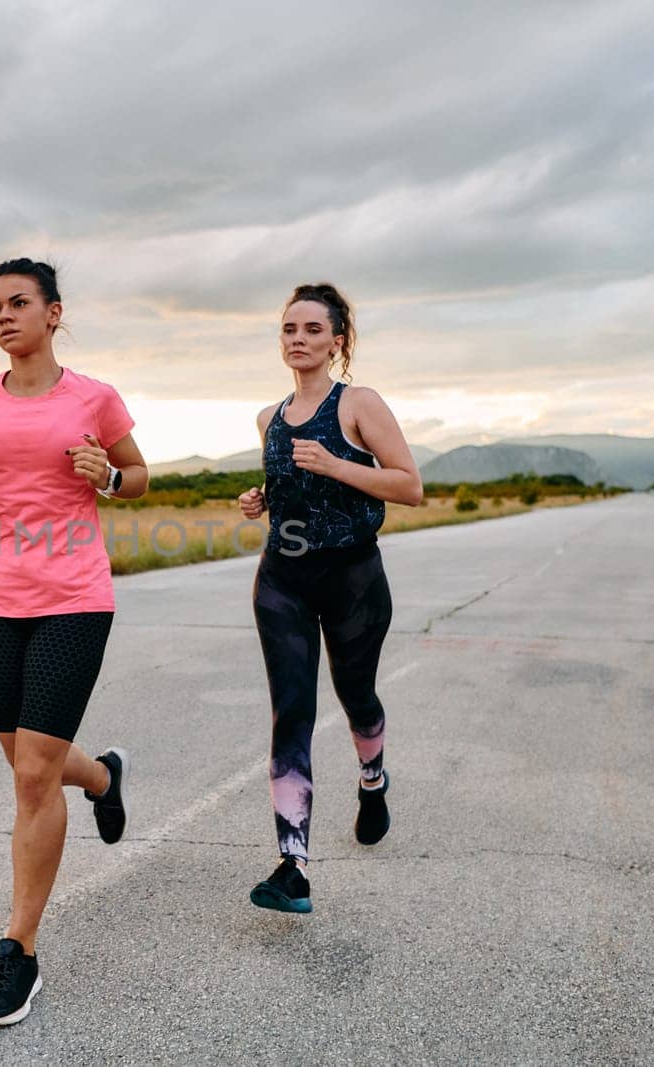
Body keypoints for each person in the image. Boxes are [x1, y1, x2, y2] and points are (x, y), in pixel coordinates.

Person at [0, 259, 149, 1026]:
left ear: (54, 313)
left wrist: (108, 480)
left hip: (76, 599)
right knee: (28, 760)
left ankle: (18, 951)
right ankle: (104, 779)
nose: (3, 316)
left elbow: (139, 473)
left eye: (19, 303)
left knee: (28, 777)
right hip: (2, 602)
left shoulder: (93, 396)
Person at [237, 283, 422, 914]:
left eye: (313, 330)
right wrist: (262, 498)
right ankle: (294, 866)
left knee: (357, 698)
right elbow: (288, 483)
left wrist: (338, 466)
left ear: (336, 341)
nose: (298, 339)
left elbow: (409, 486)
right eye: (289, 329)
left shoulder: (357, 404)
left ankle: (372, 779)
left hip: (353, 580)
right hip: (282, 579)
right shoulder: (268, 418)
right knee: (291, 713)